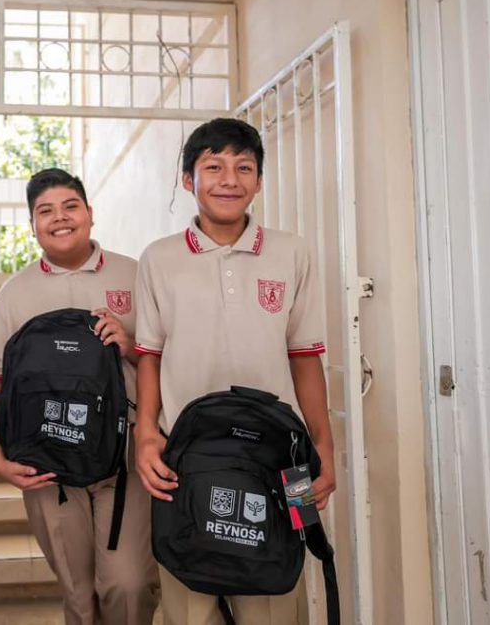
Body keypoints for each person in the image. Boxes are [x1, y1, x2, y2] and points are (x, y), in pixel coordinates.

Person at [133, 118, 336, 625]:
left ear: (259, 181)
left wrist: (324, 450)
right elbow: (150, 355)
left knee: (275, 605)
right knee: (189, 609)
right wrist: (146, 436)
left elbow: (304, 356)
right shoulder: (158, 259)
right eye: (214, 167)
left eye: (244, 168)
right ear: (188, 179)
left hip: (280, 458)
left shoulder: (293, 252)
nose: (229, 180)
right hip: (184, 455)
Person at [0, 168, 160, 625]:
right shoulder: (14, 294)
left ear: (90, 214)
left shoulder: (135, 275)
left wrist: (129, 345)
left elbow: (165, 357)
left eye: (70, 206)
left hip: (124, 456)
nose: (60, 218)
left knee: (128, 584)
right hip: (47, 462)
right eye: (46, 211)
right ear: (32, 225)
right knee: (78, 595)